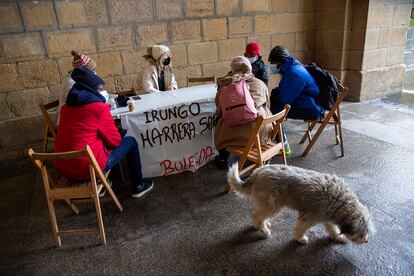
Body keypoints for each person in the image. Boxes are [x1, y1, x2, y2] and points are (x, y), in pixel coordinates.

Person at [54, 67, 153, 198]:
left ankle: (105, 182)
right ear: (90, 90)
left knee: (99, 141)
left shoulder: (66, 109)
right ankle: (138, 186)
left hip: (62, 167)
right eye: (100, 87)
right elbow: (116, 141)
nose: (102, 90)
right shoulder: (99, 108)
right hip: (87, 169)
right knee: (130, 142)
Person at [214, 56, 273, 169]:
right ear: (250, 69)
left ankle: (223, 160)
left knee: (219, 122)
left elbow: (219, 111)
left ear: (232, 70)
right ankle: (263, 163)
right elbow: (268, 106)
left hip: (231, 138)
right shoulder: (260, 84)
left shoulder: (224, 86)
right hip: (259, 136)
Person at [268, 45, 323, 121]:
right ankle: (276, 131)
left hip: (311, 109)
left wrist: (274, 98)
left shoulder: (294, 74)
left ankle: (277, 133)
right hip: (306, 102)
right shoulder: (292, 67)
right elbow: (285, 89)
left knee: (272, 109)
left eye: (273, 63)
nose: (272, 66)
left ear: (280, 62)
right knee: (272, 105)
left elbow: (285, 101)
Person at [57, 50, 99, 124]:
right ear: (84, 72)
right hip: (71, 121)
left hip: (82, 116)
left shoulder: (83, 78)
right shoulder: (70, 82)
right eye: (92, 71)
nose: (94, 73)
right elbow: (77, 102)